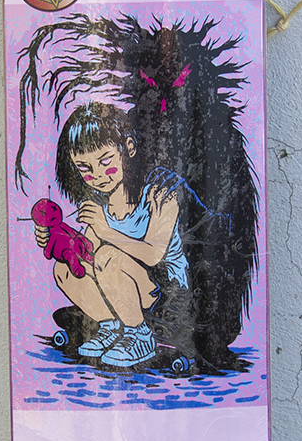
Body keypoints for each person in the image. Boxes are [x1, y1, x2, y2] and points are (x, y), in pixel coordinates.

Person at [33, 103, 188, 368]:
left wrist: (106, 230)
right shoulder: (98, 203)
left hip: (165, 290)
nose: (97, 176)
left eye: (105, 162)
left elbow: (153, 255)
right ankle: (111, 327)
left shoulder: (160, 192)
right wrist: (56, 241)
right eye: (84, 168)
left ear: (128, 148)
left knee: (108, 256)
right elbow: (88, 253)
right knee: (65, 269)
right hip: (122, 286)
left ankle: (140, 335)